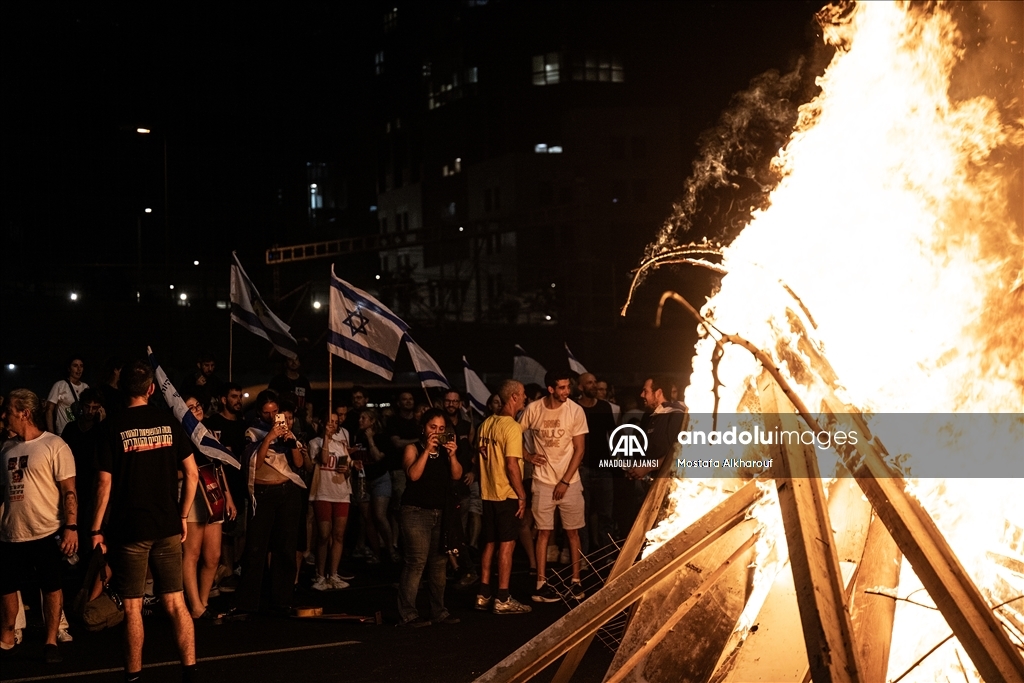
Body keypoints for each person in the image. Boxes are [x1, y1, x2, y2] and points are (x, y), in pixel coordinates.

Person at [91, 361, 199, 683]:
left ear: (122, 389)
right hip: (166, 525)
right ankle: (190, 672)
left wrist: (96, 529)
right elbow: (192, 474)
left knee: (133, 607)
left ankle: (134, 676)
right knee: (176, 603)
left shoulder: (111, 427)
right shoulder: (169, 422)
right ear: (151, 389)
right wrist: (182, 515)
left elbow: (103, 484)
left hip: (130, 529)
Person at [1, 390, 78, 664]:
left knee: (51, 586)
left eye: (8, 410)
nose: (4, 416)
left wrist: (71, 526)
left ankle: (50, 641)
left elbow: (69, 490)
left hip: (46, 531)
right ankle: (7, 637)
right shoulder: (7, 448)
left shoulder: (54, 445)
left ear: (24, 412)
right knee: (7, 586)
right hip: (12, 533)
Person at [519, 369, 588, 603]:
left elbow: (580, 449)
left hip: (569, 481)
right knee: (543, 532)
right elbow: (512, 435)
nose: (567, 391)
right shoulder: (533, 409)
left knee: (572, 532)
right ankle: (540, 583)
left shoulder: (575, 410)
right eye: (562, 387)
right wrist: (527, 456)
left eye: (568, 387)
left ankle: (576, 582)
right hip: (542, 480)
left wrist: (565, 481)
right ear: (550, 389)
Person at [235, 391, 306, 615]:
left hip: (286, 490)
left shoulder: (288, 432)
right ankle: (247, 603)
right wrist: (269, 436)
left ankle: (282, 600)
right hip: (263, 492)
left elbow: (298, 463)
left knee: (285, 547)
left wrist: (291, 441)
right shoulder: (253, 431)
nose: (272, 416)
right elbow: (254, 459)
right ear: (259, 413)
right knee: (256, 547)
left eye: (275, 412)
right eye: (267, 412)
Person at [397, 408, 462, 627]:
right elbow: (413, 475)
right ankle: (408, 613)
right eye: (432, 427)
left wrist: (452, 455)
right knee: (416, 562)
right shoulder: (412, 448)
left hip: (440, 512)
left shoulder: (445, 452)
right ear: (423, 428)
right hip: (415, 512)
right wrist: (426, 450)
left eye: (441, 428)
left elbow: (457, 475)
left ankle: (439, 611)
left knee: (438, 564)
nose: (437, 432)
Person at [475, 380, 532, 614]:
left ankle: (483, 594)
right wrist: (521, 494)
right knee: (507, 546)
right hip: (505, 494)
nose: (526, 398)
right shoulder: (512, 427)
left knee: (490, 543)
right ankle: (503, 598)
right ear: (514, 397)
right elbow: (511, 465)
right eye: (524, 394)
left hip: (488, 494)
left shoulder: (486, 424)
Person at [180, 395, 237, 620]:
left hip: (214, 494)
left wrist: (228, 496)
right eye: (190, 408)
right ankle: (194, 605)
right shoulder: (182, 435)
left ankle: (203, 603)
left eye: (198, 405)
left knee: (213, 556)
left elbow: (219, 466)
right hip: (193, 495)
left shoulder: (210, 433)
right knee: (192, 553)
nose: (196, 409)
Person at [202, 382, 247, 590]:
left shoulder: (243, 424)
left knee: (239, 530)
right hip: (219, 483)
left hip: (240, 483)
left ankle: (235, 567)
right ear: (223, 399)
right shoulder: (213, 423)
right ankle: (226, 572)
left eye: (240, 396)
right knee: (225, 533)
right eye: (234, 396)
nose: (238, 400)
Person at [308, 414, 351, 590]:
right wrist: (326, 437)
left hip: (341, 493)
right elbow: (324, 460)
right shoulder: (314, 443)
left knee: (338, 535)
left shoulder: (342, 445)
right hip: (323, 493)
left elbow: (348, 471)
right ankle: (320, 575)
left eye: (335, 422)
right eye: (329, 421)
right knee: (324, 534)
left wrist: (346, 469)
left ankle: (333, 574)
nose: (332, 425)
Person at [576, 373, 617, 555]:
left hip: (604, 468)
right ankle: (582, 556)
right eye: (589, 383)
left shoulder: (604, 407)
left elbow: (612, 435)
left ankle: (606, 555)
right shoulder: (574, 408)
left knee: (605, 514)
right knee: (581, 516)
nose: (593, 386)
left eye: (595, 382)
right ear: (580, 387)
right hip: (582, 468)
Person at [351, 408, 397, 563]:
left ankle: (391, 549)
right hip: (362, 480)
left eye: (364, 418)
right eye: (360, 418)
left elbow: (378, 457)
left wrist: (370, 439)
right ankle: (377, 553)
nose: (360, 420)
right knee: (367, 518)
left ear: (372, 421)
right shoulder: (356, 436)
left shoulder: (382, 437)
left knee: (379, 515)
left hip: (379, 479)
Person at [627, 376, 686, 481]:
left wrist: (647, 467)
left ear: (658, 393)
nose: (641, 395)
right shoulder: (650, 416)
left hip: (670, 483)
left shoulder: (675, 415)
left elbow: (678, 452)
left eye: (645, 391)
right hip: (651, 481)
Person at [46, 356, 89, 435]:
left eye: (81, 366)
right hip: (64, 432)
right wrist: (51, 433)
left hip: (81, 432)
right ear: (69, 369)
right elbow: (49, 410)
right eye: (75, 366)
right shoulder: (60, 385)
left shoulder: (85, 387)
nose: (79, 369)